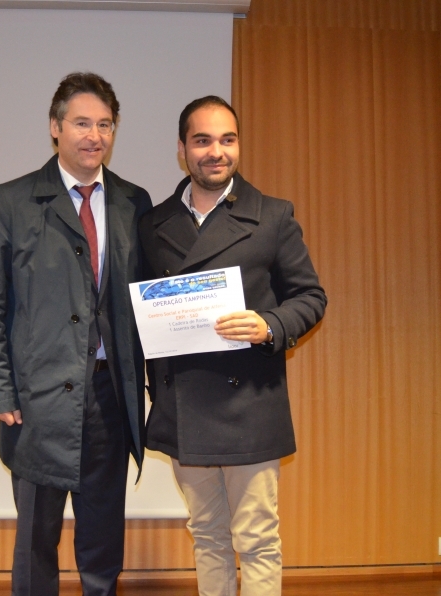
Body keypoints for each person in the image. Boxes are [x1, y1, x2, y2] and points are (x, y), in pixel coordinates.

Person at [0, 72, 152, 596]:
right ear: (55, 127)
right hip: (36, 400)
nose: (94, 136)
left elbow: (147, 299)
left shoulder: (134, 202)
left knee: (103, 541)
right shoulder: (12, 201)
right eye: (81, 123)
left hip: (109, 397)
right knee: (35, 542)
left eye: (105, 124)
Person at [138, 96, 327, 596]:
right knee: (207, 534)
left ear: (238, 145)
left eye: (227, 139)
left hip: (250, 404)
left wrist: (269, 325)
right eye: (202, 140)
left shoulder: (272, 216)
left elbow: (311, 297)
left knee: (257, 539)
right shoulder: (152, 225)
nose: (216, 151)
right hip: (184, 407)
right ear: (182, 149)